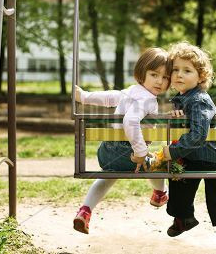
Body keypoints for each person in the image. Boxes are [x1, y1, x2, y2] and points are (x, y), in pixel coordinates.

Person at [73, 47, 171, 234]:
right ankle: (159, 194)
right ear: (142, 74)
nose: (160, 81)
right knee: (158, 164)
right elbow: (131, 121)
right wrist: (141, 153)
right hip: (129, 154)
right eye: (154, 74)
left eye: (165, 77)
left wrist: (84, 97)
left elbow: (109, 97)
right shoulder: (149, 100)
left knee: (109, 175)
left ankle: (85, 211)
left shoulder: (131, 91)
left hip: (107, 151)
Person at [161, 41, 216, 246]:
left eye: (187, 70)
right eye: (175, 70)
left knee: (182, 178)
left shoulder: (198, 100)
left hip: (209, 155)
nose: (179, 75)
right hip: (208, 156)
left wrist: (173, 150)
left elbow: (198, 135)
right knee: (211, 187)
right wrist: (178, 116)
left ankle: (185, 218)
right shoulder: (183, 98)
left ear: (200, 76)